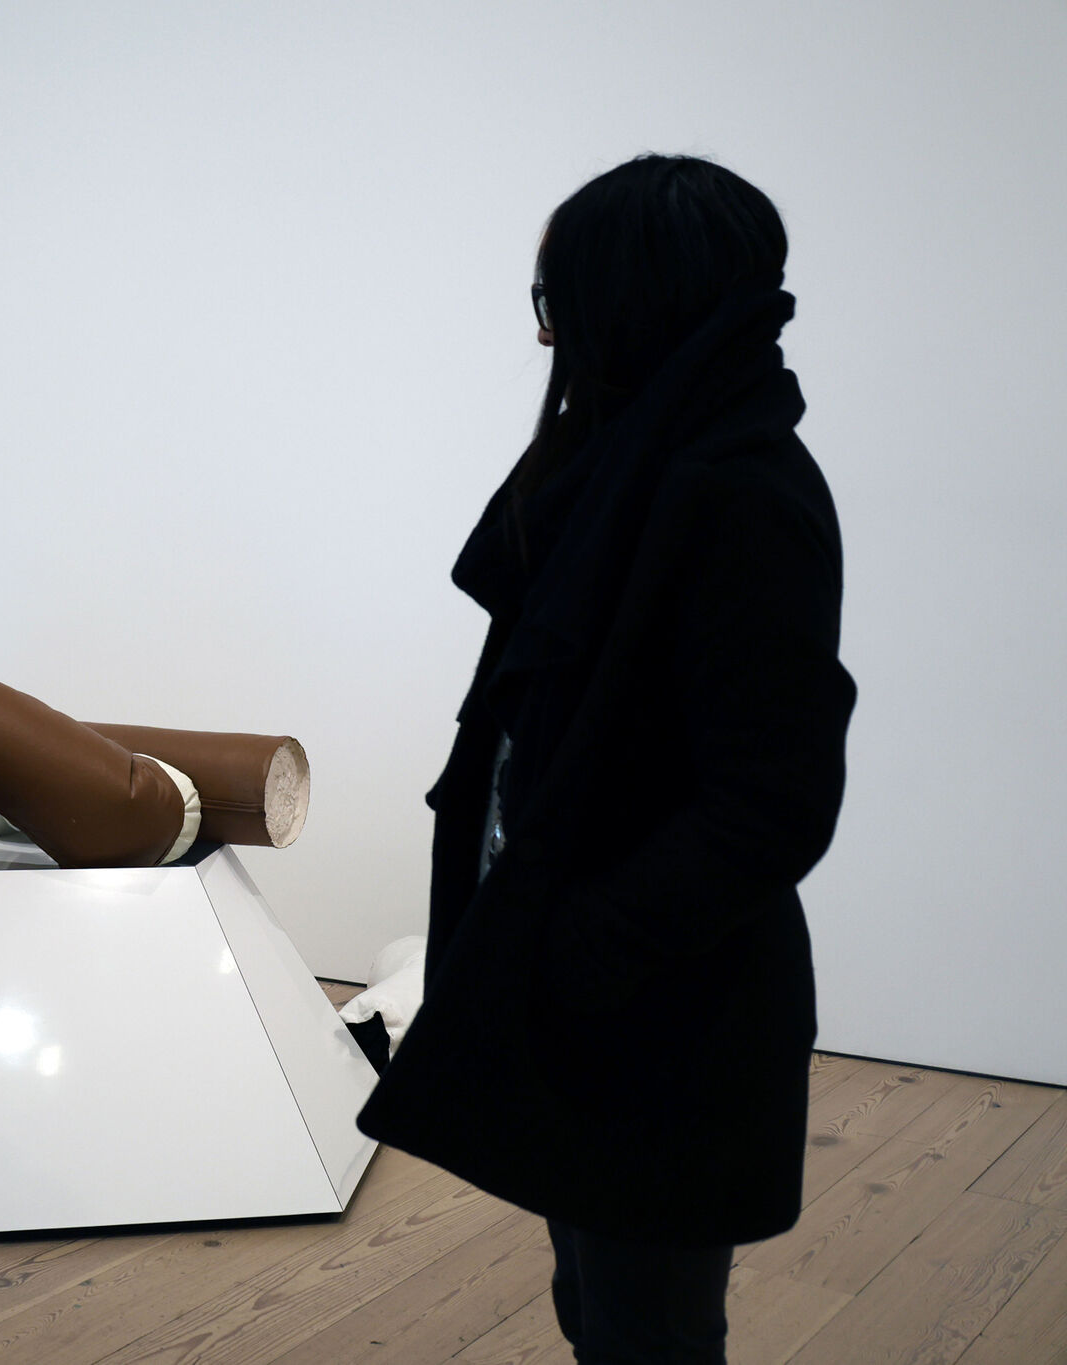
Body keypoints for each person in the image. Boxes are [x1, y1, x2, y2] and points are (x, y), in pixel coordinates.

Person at [355, 153, 857, 1363]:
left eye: (554, 303)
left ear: (628, 303)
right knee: (601, 1304)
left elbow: (771, 803)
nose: (545, 342)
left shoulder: (739, 496)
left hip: (666, 1011)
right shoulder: (627, 464)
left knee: (648, 1329)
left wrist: (581, 945)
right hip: (603, 999)